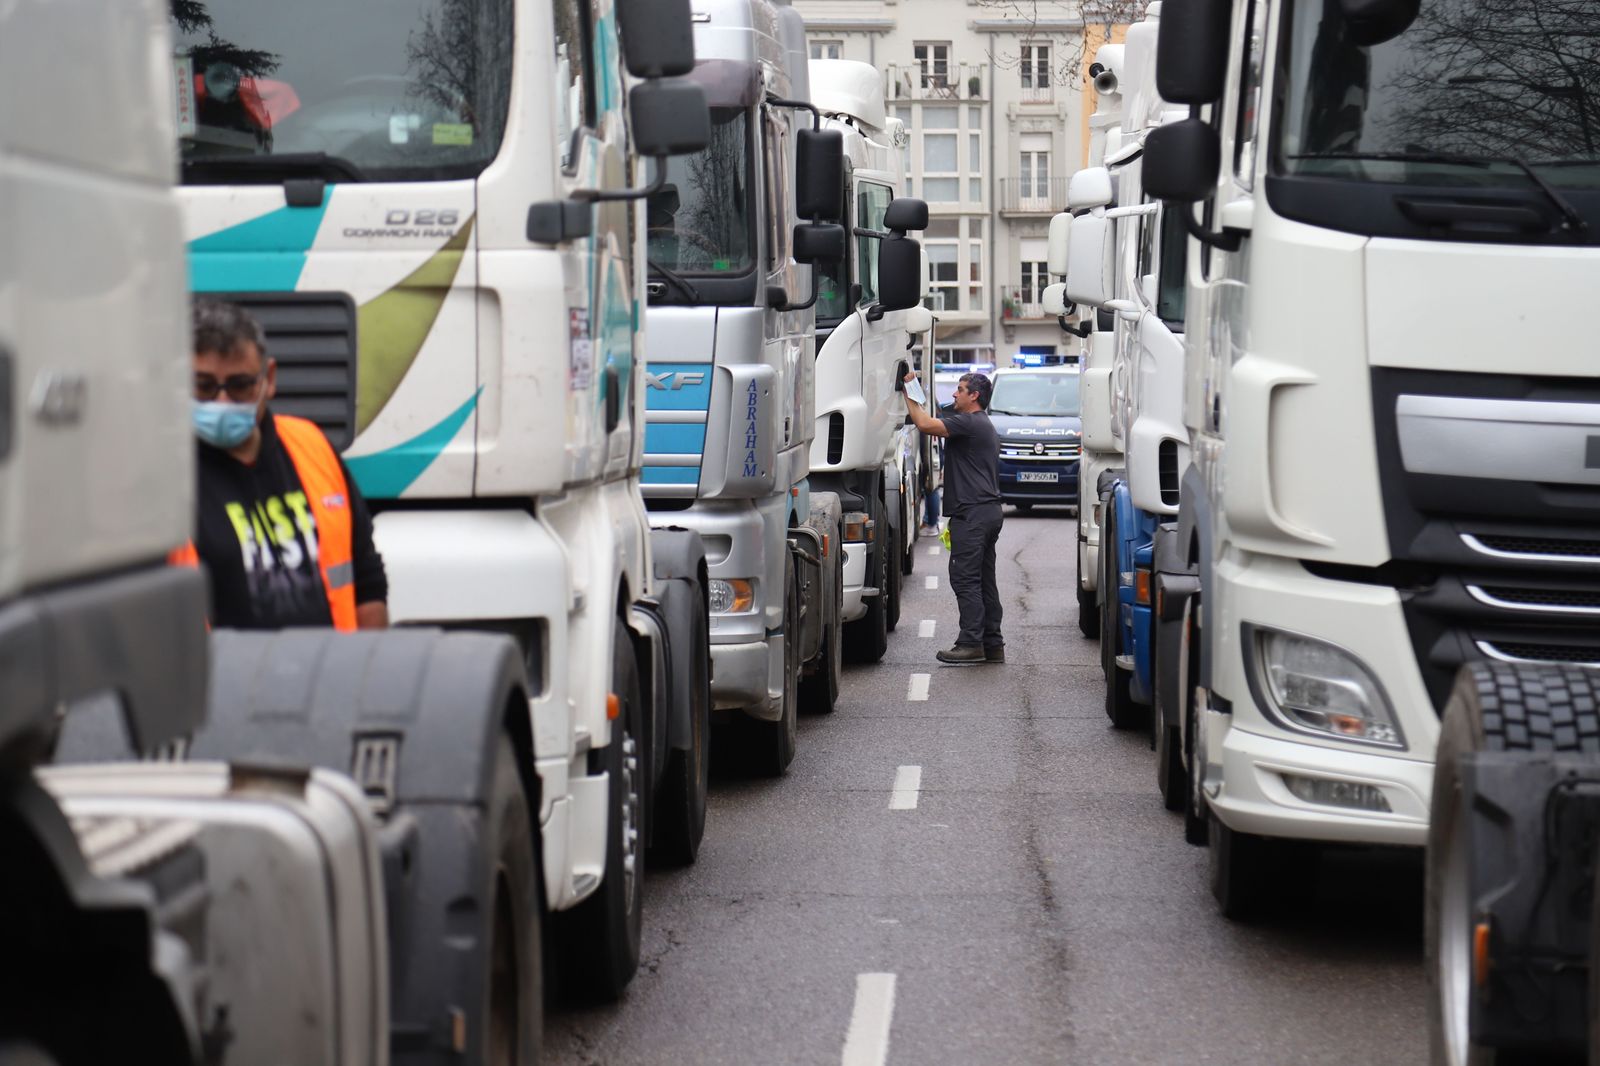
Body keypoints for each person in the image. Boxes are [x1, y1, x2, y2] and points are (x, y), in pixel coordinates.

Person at [173, 299, 388, 631]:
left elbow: (367, 579)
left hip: (332, 675)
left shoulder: (311, 446)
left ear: (268, 379)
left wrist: (371, 670)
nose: (222, 402)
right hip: (232, 682)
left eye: (240, 386)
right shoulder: (166, 480)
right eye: (203, 387)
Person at [903, 370, 1003, 664]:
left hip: (972, 513)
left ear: (974, 396)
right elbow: (935, 413)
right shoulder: (980, 424)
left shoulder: (970, 423)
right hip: (986, 511)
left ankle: (971, 643)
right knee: (984, 580)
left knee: (965, 579)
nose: (954, 394)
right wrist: (916, 389)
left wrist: (907, 388)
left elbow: (923, 423)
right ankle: (992, 644)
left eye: (960, 389)